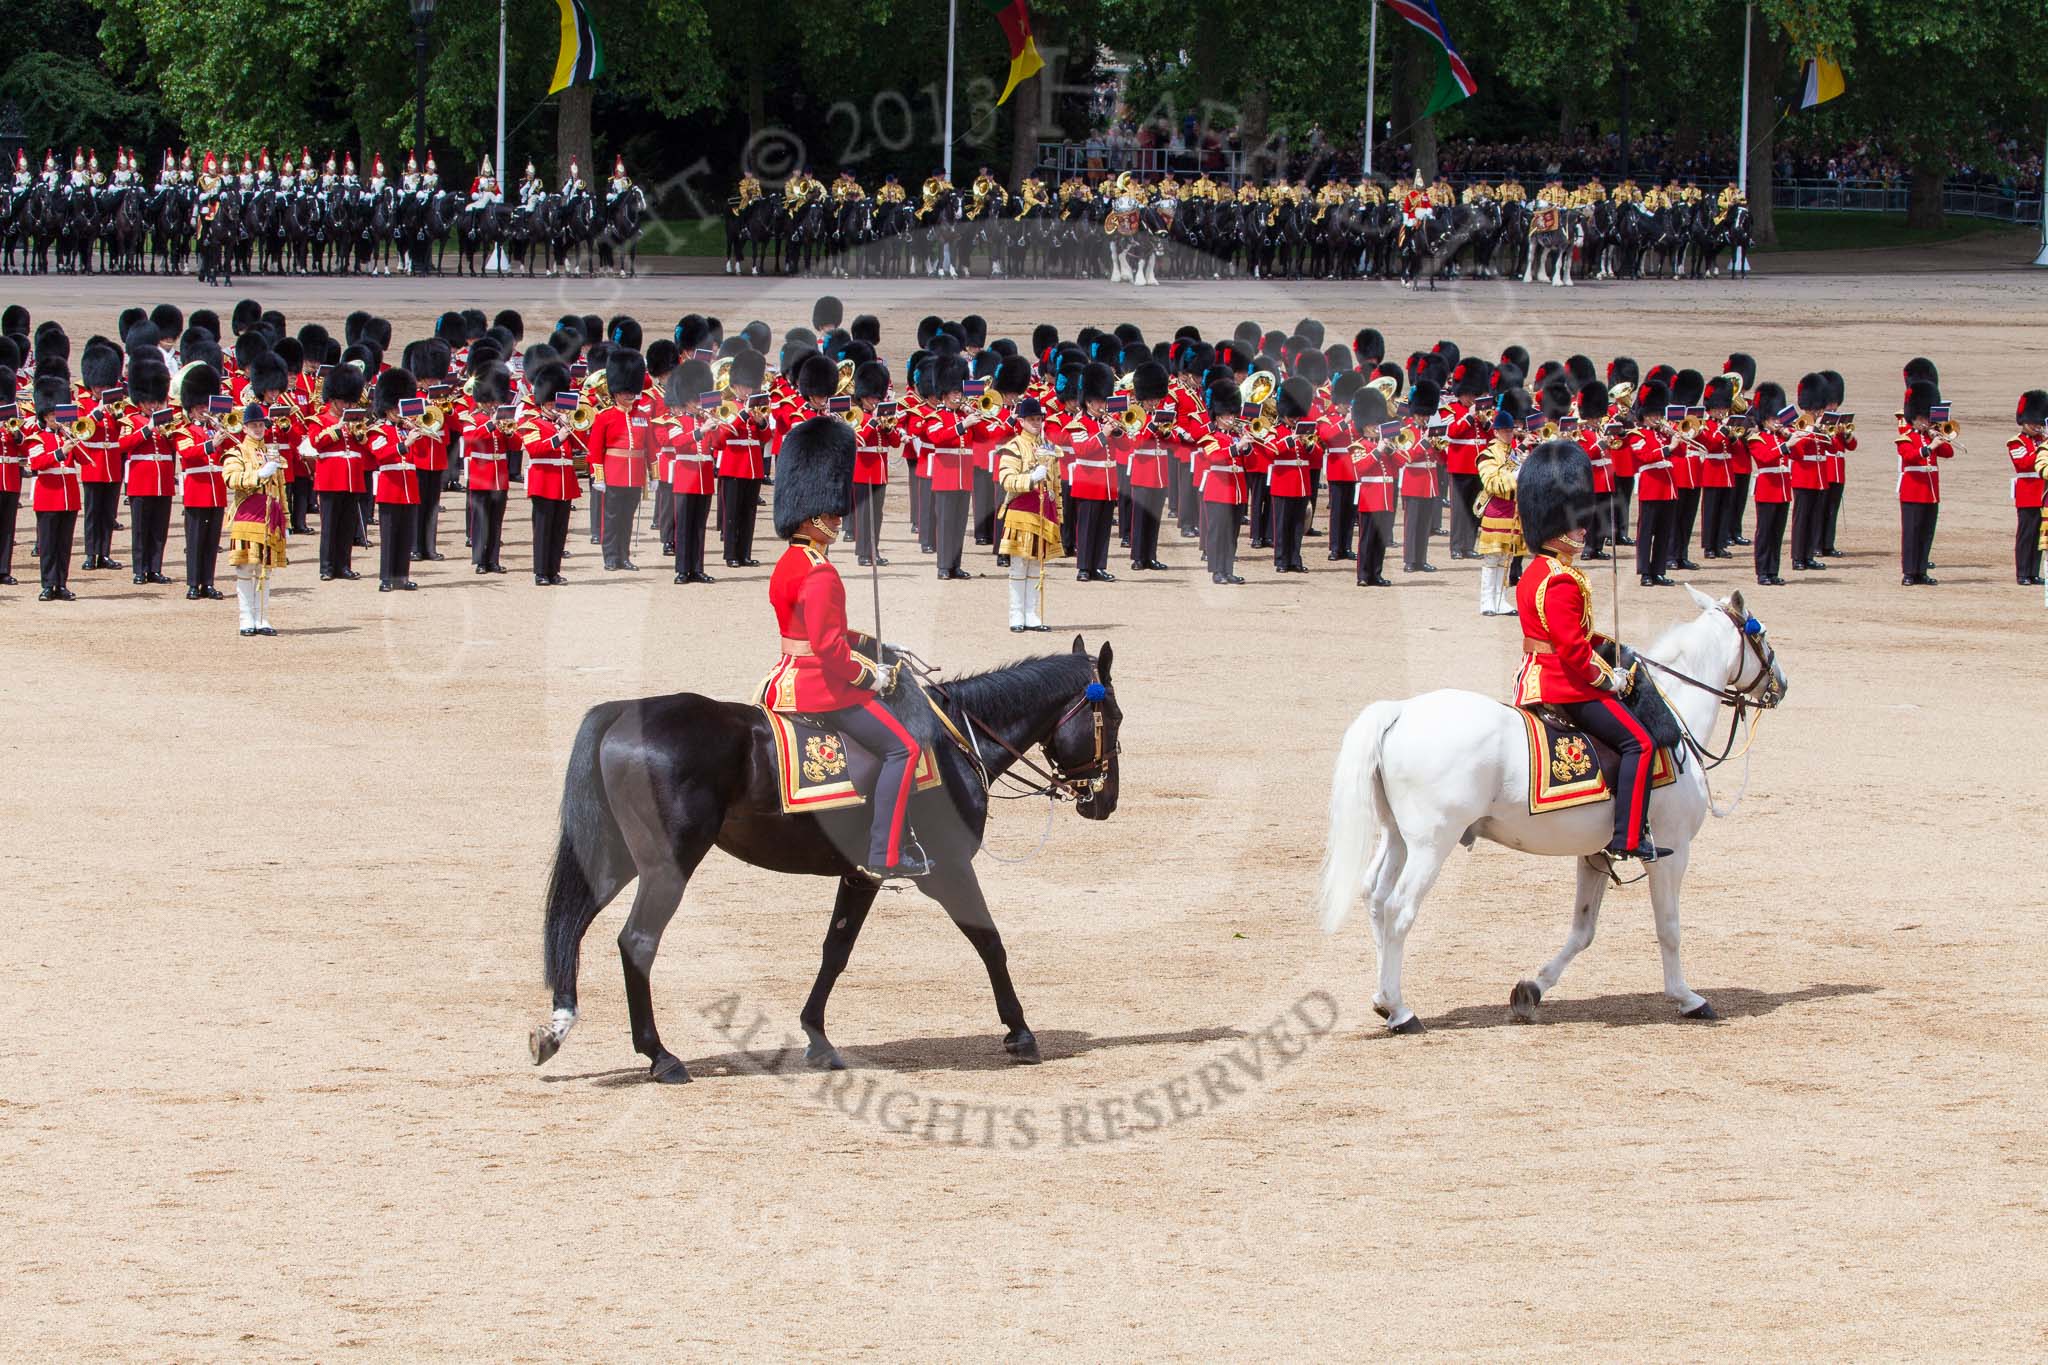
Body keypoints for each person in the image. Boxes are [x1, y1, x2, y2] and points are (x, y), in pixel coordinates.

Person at [761, 416, 927, 881]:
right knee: (904, 748)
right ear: (815, 516)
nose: (838, 519)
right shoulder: (819, 571)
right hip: (820, 686)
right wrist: (873, 675)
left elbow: (817, 630)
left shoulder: (791, 561)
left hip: (785, 677)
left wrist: (874, 645)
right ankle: (884, 853)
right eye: (833, 514)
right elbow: (829, 650)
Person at [1512, 440, 1665, 863]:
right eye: (1577, 521)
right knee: (1640, 743)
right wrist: (1607, 678)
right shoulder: (1560, 579)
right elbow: (1571, 649)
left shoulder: (1538, 570)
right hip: (1565, 684)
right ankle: (1627, 837)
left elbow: (1575, 634)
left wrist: (1616, 651)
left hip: (1539, 673)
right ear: (1558, 523)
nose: (1584, 529)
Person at [223, 401, 289, 635]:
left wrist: (286, 519)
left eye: (261, 425)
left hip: (270, 516)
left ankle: (262, 618)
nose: (259, 429)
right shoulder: (237, 451)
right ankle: (246, 618)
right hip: (247, 514)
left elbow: (280, 488)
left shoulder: (271, 452)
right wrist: (258, 474)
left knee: (265, 570)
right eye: (254, 425)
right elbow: (231, 479)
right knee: (245, 569)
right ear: (245, 427)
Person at [997, 396, 1061, 631]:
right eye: (1031, 419)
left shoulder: (1049, 447)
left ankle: (1031, 614)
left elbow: (1057, 484)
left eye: (1038, 419)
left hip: (1044, 512)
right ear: (1021, 421)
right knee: (1019, 565)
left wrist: (1059, 514)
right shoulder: (1014, 446)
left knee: (1037, 566)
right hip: (1021, 512)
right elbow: (1006, 480)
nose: (1036, 423)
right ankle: (1016, 615)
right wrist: (1031, 478)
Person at [589, 348, 651, 571]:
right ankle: (610, 557)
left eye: (631, 391)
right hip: (614, 473)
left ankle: (624, 556)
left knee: (627, 519)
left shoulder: (642, 417)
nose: (628, 395)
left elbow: (649, 448)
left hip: (634, 476)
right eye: (625, 392)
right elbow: (595, 450)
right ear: (615, 392)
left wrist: (654, 475)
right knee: (612, 518)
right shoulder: (605, 417)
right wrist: (599, 477)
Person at [521, 360, 582, 585]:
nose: (558, 406)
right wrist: (560, 437)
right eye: (554, 403)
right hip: (544, 480)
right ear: (545, 403)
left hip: (564, 482)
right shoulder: (532, 423)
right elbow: (535, 449)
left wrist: (570, 427)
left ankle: (553, 571)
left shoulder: (564, 423)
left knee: (559, 530)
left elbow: (580, 444)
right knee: (543, 529)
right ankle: (540, 572)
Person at [24, 376, 84, 601]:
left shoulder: (68, 436)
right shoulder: (36, 438)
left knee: (64, 544)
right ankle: (48, 584)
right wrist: (61, 452)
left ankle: (61, 583)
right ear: (45, 416)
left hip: (69, 497)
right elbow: (37, 463)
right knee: (49, 544)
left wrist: (77, 441)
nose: (57, 419)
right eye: (53, 415)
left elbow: (88, 462)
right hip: (48, 496)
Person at [1475, 387, 1533, 615]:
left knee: (1506, 560)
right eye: (1506, 431)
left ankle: (1500, 600)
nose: (1510, 434)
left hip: (1513, 512)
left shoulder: (1515, 453)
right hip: (1496, 511)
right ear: (1497, 432)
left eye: (1511, 430)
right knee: (1491, 560)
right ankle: (1486, 602)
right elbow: (1493, 483)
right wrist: (1517, 474)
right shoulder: (1488, 454)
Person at [172, 365, 228, 600]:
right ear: (191, 410)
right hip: (197, 490)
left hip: (217, 490)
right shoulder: (184, 432)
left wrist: (225, 433)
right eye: (200, 408)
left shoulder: (217, 430)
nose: (205, 411)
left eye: (207, 407)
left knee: (211, 541)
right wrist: (211, 444)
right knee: (195, 540)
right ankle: (194, 583)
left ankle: (208, 583)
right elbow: (187, 454)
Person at [367, 368, 422, 591]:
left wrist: (416, 433)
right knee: (389, 536)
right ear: (388, 408)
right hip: (390, 487)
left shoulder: (404, 429)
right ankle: (386, 578)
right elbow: (380, 453)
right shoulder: (377, 430)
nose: (401, 412)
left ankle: (402, 576)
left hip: (409, 488)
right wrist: (406, 443)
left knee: (405, 535)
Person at [1896, 379, 1953, 586]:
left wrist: (1939, 437)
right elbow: (1909, 456)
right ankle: (1909, 572)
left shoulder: (1931, 436)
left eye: (1927, 418)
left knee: (1926, 533)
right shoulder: (1905, 437)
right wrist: (1929, 447)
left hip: (1930, 492)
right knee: (1912, 533)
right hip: (1913, 491)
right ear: (1913, 417)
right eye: (1922, 418)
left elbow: (1948, 453)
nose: (1926, 421)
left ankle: (1921, 570)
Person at [462, 364, 516, 574]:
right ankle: (480, 561)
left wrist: (510, 432)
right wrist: (491, 425)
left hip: (499, 476)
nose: (495, 404)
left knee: (496, 521)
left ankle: (493, 560)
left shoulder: (501, 419)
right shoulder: (472, 419)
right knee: (481, 521)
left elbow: (516, 445)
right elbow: (471, 441)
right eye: (492, 400)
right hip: (481, 475)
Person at [1744, 381, 1791, 586]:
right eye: (1773, 418)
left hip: (1782, 490)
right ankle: (1762, 571)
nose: (1777, 421)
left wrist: (1793, 438)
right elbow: (1765, 458)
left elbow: (1798, 454)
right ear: (1764, 419)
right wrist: (1786, 445)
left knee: (1777, 533)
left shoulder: (1782, 438)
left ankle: (1773, 570)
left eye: (1778, 418)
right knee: (1764, 532)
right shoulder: (1757, 439)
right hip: (1767, 488)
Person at [2008, 390, 2045, 587]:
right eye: (2034, 423)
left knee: (2040, 535)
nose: (2037, 427)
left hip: (2043, 494)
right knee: (2026, 535)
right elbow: (2024, 463)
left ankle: (2033, 572)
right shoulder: (2016, 442)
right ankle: (2022, 573)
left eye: (2039, 423)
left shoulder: (2042, 441)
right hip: (2027, 494)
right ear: (2024, 421)